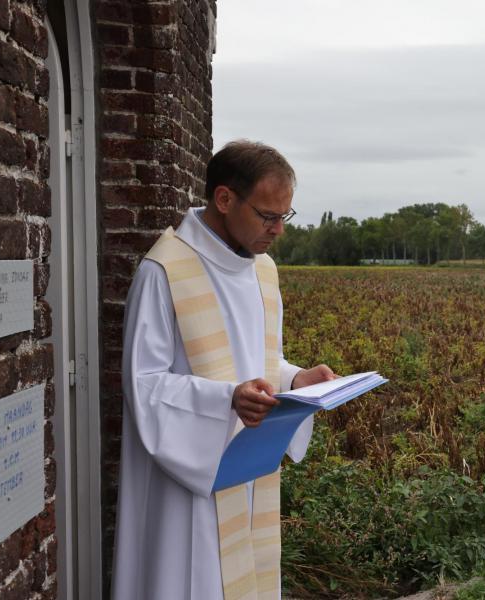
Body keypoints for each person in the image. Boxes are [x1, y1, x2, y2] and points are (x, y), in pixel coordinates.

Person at [112, 140, 335, 600]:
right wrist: (225, 399)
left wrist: (294, 379)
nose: (278, 230)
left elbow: (258, 361)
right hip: (190, 478)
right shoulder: (164, 270)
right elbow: (144, 385)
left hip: (246, 471)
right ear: (225, 199)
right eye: (268, 216)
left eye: (284, 217)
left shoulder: (262, 271)